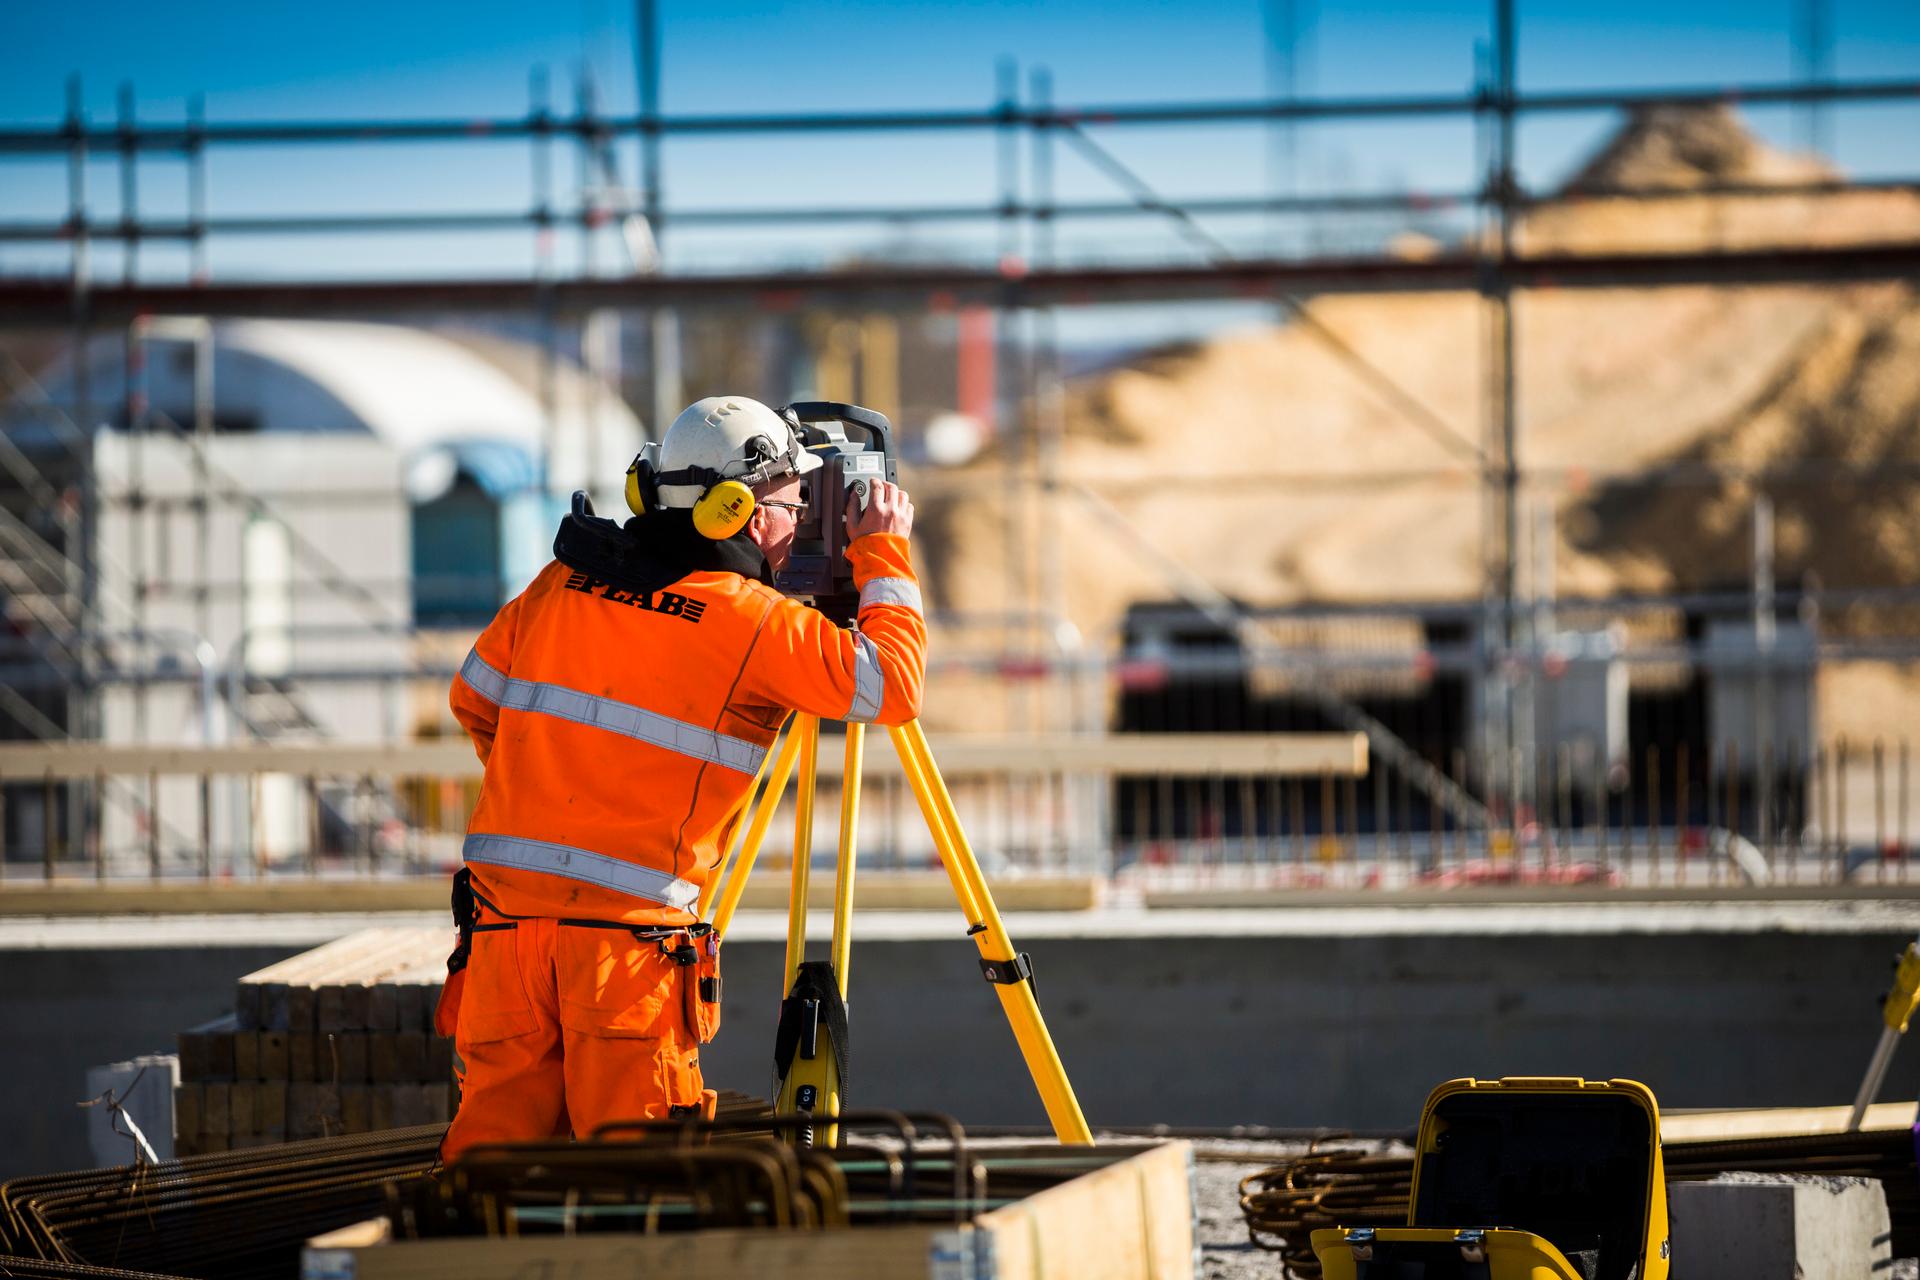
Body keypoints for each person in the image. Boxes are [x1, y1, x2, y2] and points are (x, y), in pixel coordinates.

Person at [435, 395, 924, 1162]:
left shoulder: (560, 584)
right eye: (794, 503)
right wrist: (883, 553)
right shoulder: (752, 622)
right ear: (745, 511)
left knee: (488, 1175)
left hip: (505, 942)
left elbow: (474, 702)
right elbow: (890, 685)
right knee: (643, 1186)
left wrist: (565, 787)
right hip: (625, 961)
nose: (798, 524)